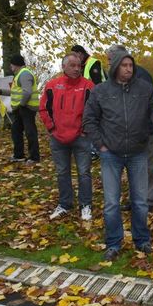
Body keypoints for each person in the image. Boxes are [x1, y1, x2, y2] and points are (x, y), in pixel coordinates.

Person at [83, 49, 153, 261]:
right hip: (111, 154)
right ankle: (114, 243)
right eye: (124, 65)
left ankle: (142, 240)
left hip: (137, 151)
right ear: (116, 67)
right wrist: (101, 145)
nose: (129, 69)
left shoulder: (144, 88)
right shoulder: (101, 91)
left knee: (140, 201)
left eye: (131, 65)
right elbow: (89, 119)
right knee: (111, 202)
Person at [39, 53, 95, 221]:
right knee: (62, 172)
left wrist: (85, 130)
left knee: (84, 172)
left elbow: (93, 111)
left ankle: (86, 205)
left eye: (79, 65)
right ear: (63, 67)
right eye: (72, 65)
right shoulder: (52, 86)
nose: (77, 69)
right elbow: (43, 109)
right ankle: (65, 204)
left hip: (80, 137)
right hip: (58, 137)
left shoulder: (89, 86)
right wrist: (51, 128)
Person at [106, 45, 153, 212]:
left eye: (110, 60)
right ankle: (137, 198)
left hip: (147, 130)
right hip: (130, 133)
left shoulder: (141, 76)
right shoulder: (114, 80)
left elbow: (149, 104)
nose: (108, 64)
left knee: (149, 165)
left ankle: (150, 199)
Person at [7, 54, 40, 164]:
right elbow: (17, 91)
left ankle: (34, 157)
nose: (10, 67)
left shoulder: (24, 74)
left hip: (26, 108)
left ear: (15, 65)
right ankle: (19, 155)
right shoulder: (20, 75)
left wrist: (21, 104)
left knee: (30, 132)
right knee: (16, 130)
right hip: (22, 108)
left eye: (11, 65)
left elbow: (27, 92)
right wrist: (1, 92)